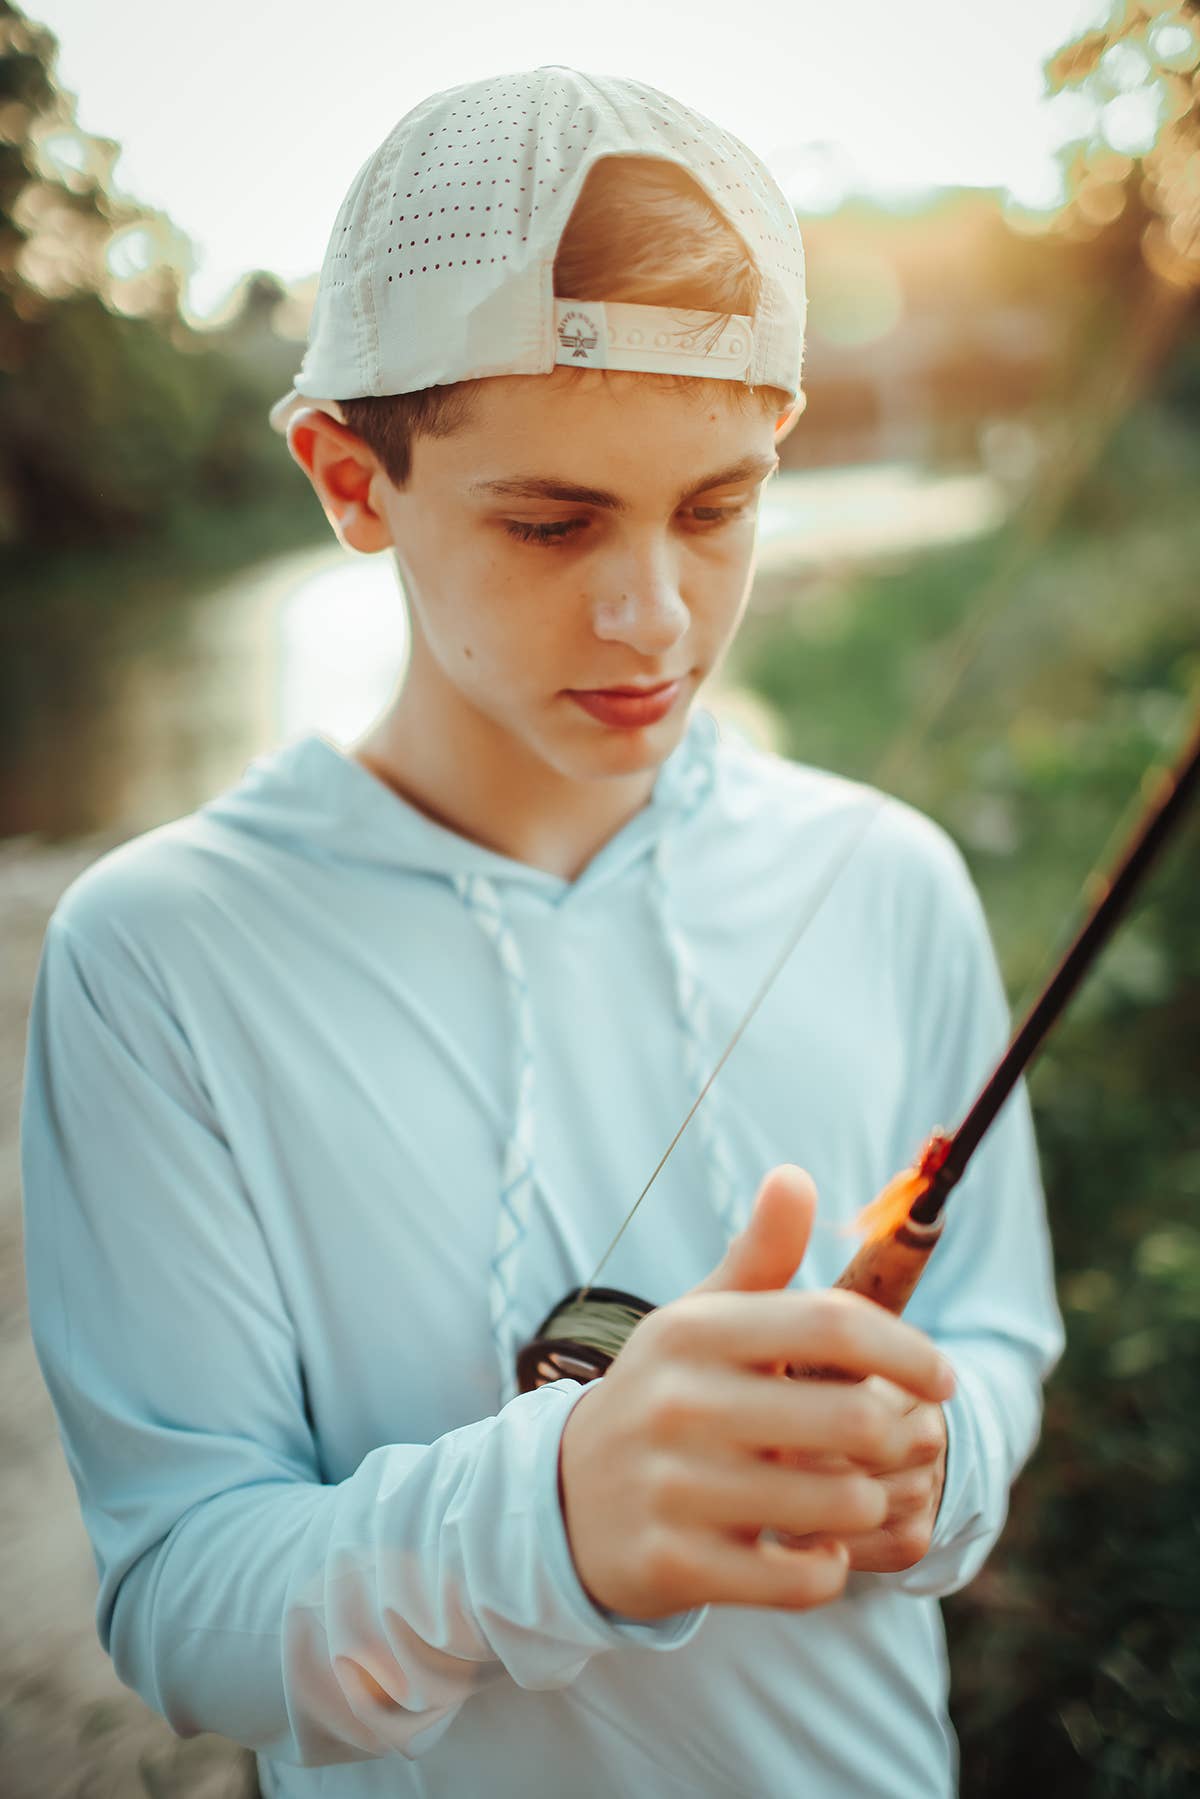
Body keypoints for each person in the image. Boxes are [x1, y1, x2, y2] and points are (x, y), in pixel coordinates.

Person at [20, 63, 1064, 1799]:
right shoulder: (157, 958)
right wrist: (559, 1515)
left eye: (718, 508)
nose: (655, 611)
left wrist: (923, 1462)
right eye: (551, 520)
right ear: (351, 479)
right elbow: (181, 1599)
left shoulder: (890, 880)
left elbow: (1004, 1347)